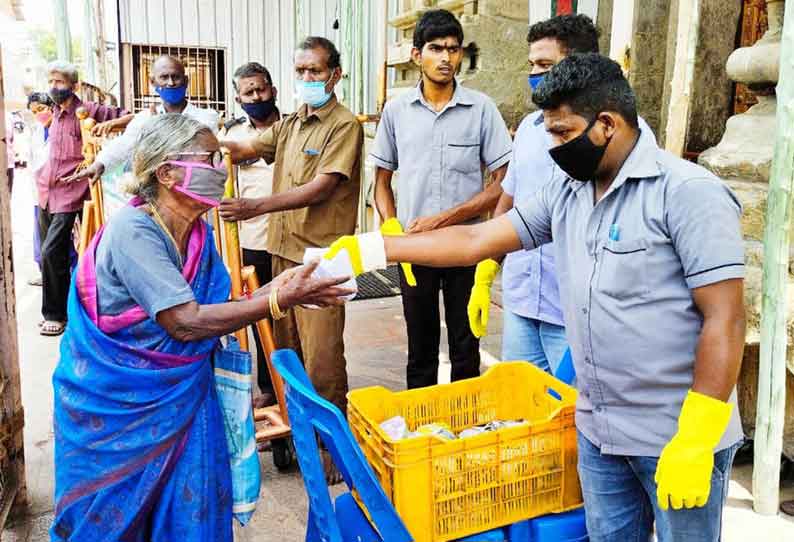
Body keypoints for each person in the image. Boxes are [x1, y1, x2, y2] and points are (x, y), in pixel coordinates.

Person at [327, 54, 745, 542]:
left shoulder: (687, 193)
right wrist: (375, 247)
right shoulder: (569, 189)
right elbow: (475, 241)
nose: (554, 147)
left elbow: (726, 320)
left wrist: (696, 435)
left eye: (563, 134)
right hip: (598, 430)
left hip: (675, 432)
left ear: (607, 125)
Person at [51, 114, 352, 541]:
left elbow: (213, 311)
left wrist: (275, 288)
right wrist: (274, 300)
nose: (220, 167)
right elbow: (185, 323)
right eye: (210, 158)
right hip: (121, 404)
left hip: (184, 395)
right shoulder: (134, 231)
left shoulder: (196, 232)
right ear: (167, 173)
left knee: (189, 506)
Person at [469, 14, 655, 375]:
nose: (536, 74)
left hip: (574, 310)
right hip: (523, 300)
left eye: (545, 65)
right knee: (521, 410)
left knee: (573, 415)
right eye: (531, 65)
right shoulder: (528, 127)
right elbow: (509, 199)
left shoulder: (623, 140)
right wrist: (488, 268)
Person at [218, 36, 363, 483]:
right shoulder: (291, 124)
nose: (306, 79)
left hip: (320, 258)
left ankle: (334, 448)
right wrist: (205, 141)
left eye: (315, 71)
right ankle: (303, 433)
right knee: (288, 354)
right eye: (300, 71)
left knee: (323, 358)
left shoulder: (343, 125)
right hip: (282, 255)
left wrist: (256, 208)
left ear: (334, 74)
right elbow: (247, 149)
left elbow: (322, 187)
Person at [370, 9, 512, 389]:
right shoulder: (397, 111)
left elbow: (505, 181)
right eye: (436, 49)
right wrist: (391, 226)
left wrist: (447, 217)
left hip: (467, 248)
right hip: (414, 249)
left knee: (466, 347)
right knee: (420, 348)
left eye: (453, 49)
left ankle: (464, 433)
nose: (446, 58)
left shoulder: (481, 109)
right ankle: (423, 434)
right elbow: (381, 180)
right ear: (417, 55)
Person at [37, 61, 127, 336]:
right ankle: (66, 310)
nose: (54, 87)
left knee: (52, 252)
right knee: (55, 255)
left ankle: (56, 314)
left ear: (73, 86)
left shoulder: (85, 110)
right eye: (51, 81)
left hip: (74, 191)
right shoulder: (53, 112)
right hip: (47, 191)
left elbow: (128, 115)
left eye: (60, 82)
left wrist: (107, 125)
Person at [219, 61, 280, 407]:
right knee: (261, 319)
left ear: (273, 90)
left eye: (262, 89)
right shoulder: (232, 135)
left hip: (289, 239)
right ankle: (269, 391)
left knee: (295, 320)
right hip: (251, 241)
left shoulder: (291, 127)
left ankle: (300, 390)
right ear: (239, 98)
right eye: (249, 92)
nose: (257, 96)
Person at [69, 54, 220, 183]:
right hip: (158, 197)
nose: (171, 83)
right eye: (164, 77)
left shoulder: (205, 117)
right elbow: (123, 145)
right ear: (153, 82)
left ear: (186, 81)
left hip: (194, 193)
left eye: (176, 77)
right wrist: (99, 164)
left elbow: (200, 152)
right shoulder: (145, 118)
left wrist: (160, 131)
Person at [27, 92, 54, 286]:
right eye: (34, 111)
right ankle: (45, 274)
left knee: (58, 240)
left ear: (51, 107)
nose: (39, 114)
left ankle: (58, 277)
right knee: (40, 236)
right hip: (39, 190)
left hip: (57, 191)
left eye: (42, 109)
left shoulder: (59, 128)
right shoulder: (36, 130)